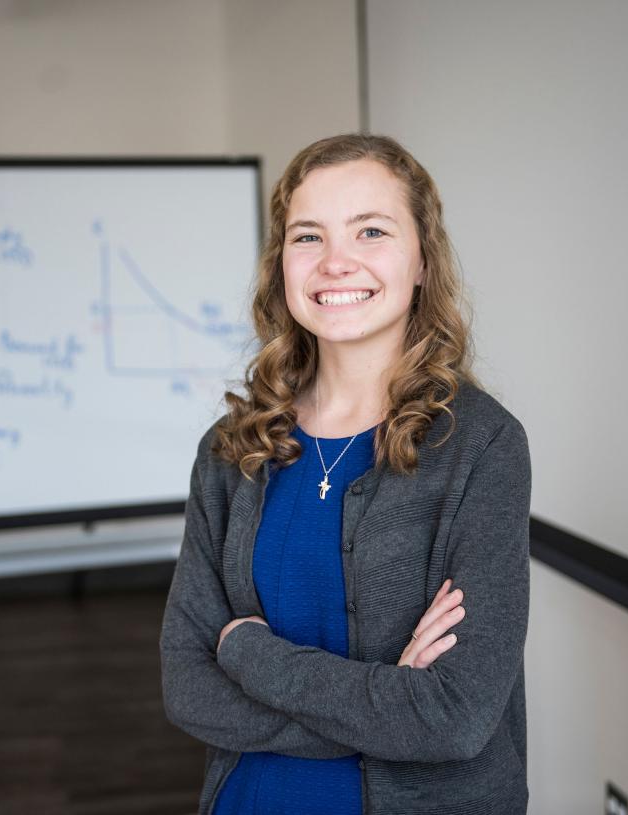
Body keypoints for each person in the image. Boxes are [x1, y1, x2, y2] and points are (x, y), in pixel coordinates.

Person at [160, 133, 531, 814]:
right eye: (308, 237)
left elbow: (453, 715)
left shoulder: (481, 445)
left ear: (422, 258)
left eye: (370, 230)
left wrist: (247, 653)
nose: (335, 262)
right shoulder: (232, 447)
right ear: (281, 265)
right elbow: (187, 686)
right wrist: (385, 704)